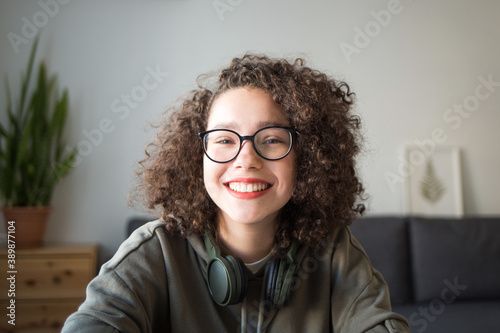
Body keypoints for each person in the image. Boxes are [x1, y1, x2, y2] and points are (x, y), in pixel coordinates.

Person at [62, 54, 410, 332]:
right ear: (195, 155)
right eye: (225, 140)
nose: (246, 159)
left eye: (272, 139)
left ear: (305, 159)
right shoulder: (155, 252)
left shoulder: (335, 252)